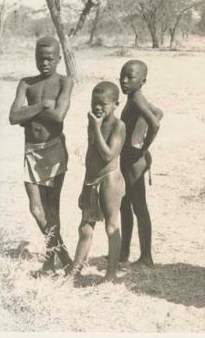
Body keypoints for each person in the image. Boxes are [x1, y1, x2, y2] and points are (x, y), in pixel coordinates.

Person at [9, 37, 74, 276]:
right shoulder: (26, 83)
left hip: (54, 149)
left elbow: (59, 117)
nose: (45, 62)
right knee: (36, 209)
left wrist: (29, 113)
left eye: (49, 58)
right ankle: (64, 256)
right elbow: (13, 117)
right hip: (31, 150)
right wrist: (41, 106)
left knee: (52, 208)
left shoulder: (65, 81)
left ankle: (50, 259)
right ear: (35, 58)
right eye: (40, 58)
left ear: (58, 58)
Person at [67, 82, 126, 283]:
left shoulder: (119, 126)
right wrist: (85, 187)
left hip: (110, 179)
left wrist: (96, 128)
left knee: (111, 227)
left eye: (103, 104)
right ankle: (74, 272)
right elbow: (90, 157)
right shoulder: (94, 123)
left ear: (116, 104)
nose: (98, 107)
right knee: (85, 228)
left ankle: (110, 275)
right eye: (94, 103)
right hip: (92, 179)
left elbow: (108, 154)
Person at [119, 60, 163, 266]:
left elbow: (155, 122)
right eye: (122, 76)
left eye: (131, 77)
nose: (125, 81)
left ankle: (146, 256)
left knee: (138, 207)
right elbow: (158, 112)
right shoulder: (136, 98)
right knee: (125, 205)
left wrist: (143, 146)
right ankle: (124, 252)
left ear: (143, 81)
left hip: (133, 157)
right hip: (129, 157)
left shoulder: (136, 99)